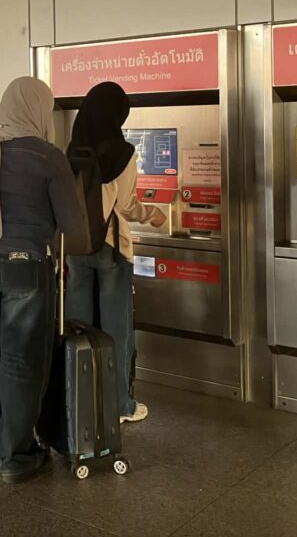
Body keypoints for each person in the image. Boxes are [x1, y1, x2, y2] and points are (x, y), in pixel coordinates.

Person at [0, 76, 85, 484]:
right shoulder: (49, 158)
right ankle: (16, 455)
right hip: (26, 268)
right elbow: (76, 231)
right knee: (21, 361)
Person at [65, 82, 166, 425]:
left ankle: (78, 397)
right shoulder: (122, 153)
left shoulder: (71, 150)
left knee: (79, 327)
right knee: (116, 329)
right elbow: (128, 206)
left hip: (77, 248)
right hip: (110, 247)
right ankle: (119, 404)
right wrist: (155, 215)